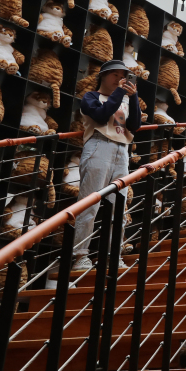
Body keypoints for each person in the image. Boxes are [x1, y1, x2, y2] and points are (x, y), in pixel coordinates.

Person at [71, 59, 140, 272]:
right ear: (102, 75)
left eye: (124, 76)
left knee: (118, 206)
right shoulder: (91, 97)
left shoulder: (126, 99)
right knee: (89, 203)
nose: (120, 79)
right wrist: (121, 93)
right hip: (98, 145)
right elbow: (101, 116)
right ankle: (80, 256)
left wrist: (134, 96)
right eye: (115, 74)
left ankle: (114, 254)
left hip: (122, 151)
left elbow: (135, 125)